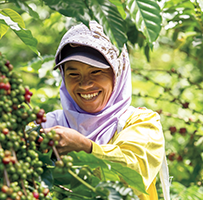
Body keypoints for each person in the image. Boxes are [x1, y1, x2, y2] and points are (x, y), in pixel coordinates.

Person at [41, 21, 170, 200]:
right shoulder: (50, 124)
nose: (85, 84)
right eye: (73, 74)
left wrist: (86, 147)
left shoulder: (142, 123)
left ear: (118, 73)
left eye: (95, 72)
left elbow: (134, 172)